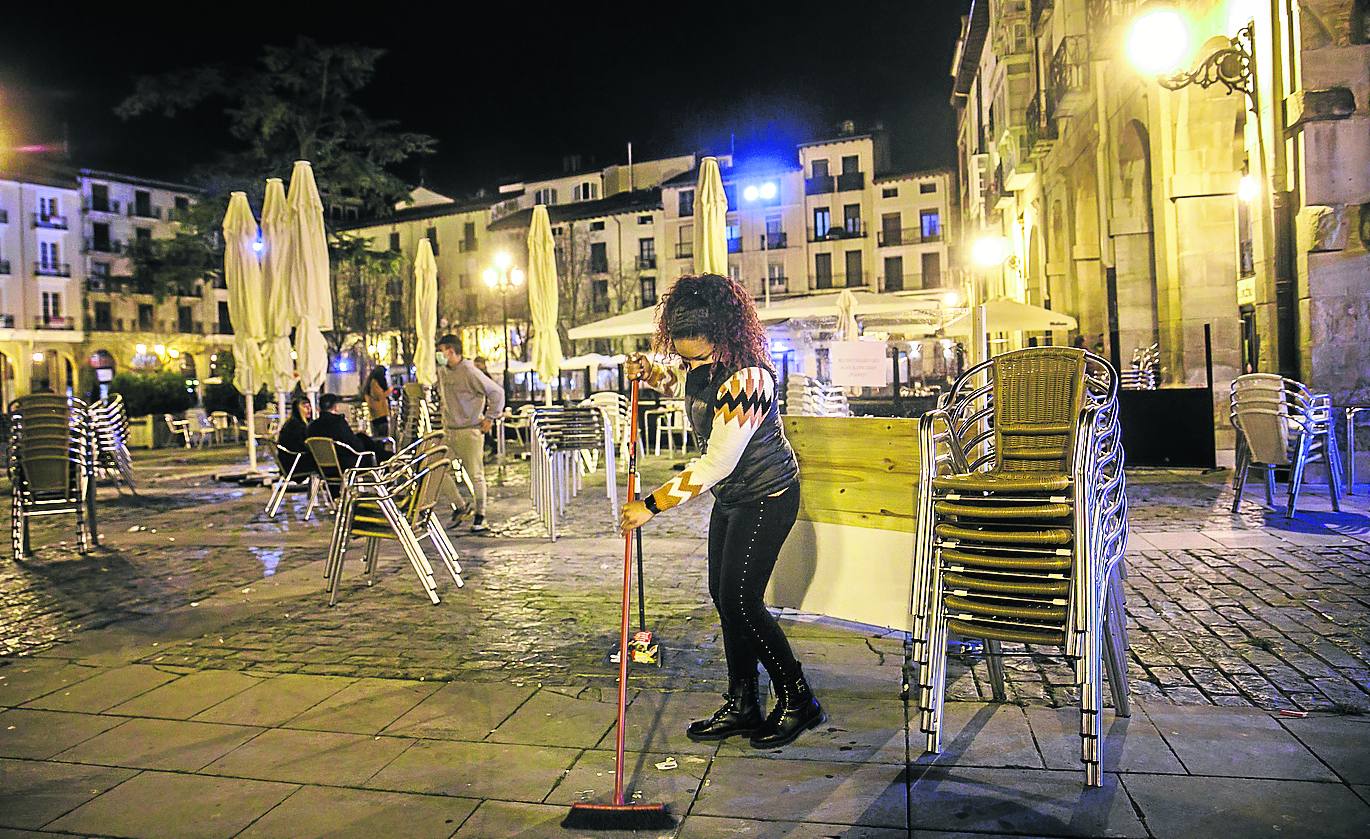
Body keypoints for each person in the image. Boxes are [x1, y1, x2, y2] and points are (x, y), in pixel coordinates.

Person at [619, 273, 823, 749]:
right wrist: (651, 372)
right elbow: (684, 385)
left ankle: (798, 699)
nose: (694, 363)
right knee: (723, 596)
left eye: (701, 355)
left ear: (725, 336)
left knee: (741, 602)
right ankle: (744, 702)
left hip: (767, 497)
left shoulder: (749, 379)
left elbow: (717, 461)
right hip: (734, 498)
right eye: (685, 355)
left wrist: (652, 505)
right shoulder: (704, 365)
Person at [436, 335, 505, 532]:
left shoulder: (469, 371)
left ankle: (480, 515)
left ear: (450, 351)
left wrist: (490, 417)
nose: (438, 355)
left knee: (475, 474)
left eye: (441, 350)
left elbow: (496, 392)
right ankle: (460, 506)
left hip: (469, 430)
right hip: (449, 431)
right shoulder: (443, 372)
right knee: (437, 470)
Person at [306, 393, 390, 469]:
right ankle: (389, 460)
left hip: (322, 467)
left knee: (361, 437)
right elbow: (356, 446)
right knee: (377, 454)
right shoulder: (338, 422)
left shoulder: (312, 426)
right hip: (346, 464)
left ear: (319, 408)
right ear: (335, 407)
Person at [277, 397, 315, 473]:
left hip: (287, 464)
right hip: (295, 464)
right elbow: (303, 447)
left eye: (309, 406)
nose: (309, 409)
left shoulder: (290, 423)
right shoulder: (296, 427)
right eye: (305, 407)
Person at [364, 366, 391, 439]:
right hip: (379, 414)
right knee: (381, 437)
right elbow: (379, 396)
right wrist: (389, 391)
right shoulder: (374, 383)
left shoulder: (372, 382)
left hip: (377, 415)